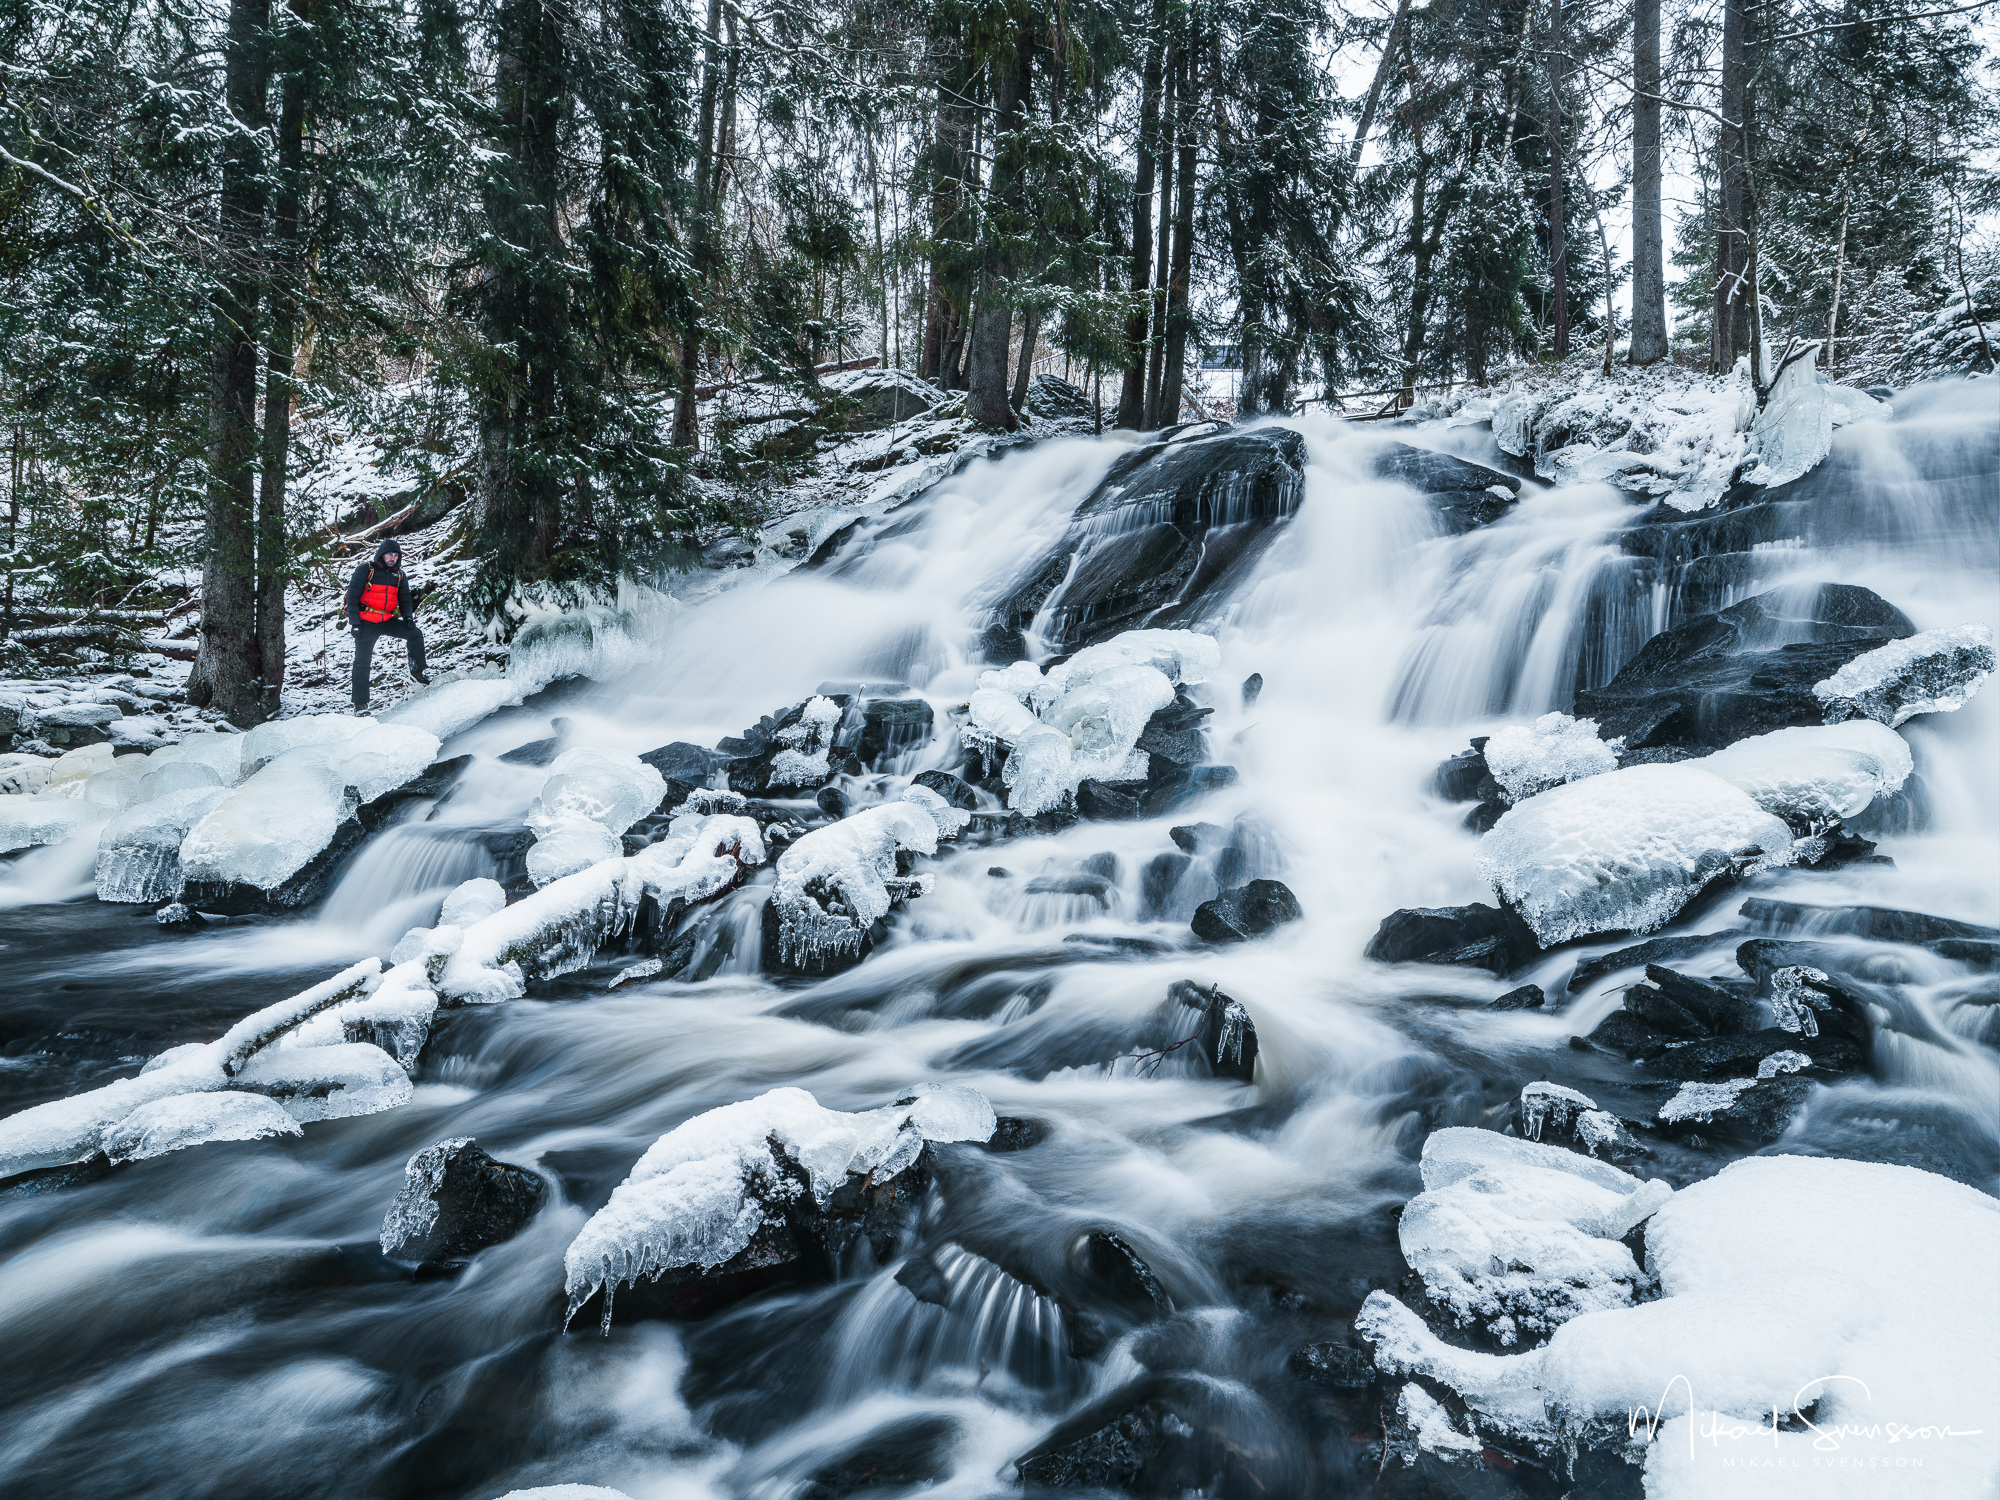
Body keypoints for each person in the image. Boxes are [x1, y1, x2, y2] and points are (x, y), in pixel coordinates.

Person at [346, 537, 429, 711]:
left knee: (415, 634)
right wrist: (355, 624)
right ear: (381, 555)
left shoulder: (399, 575)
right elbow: (352, 597)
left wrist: (408, 618)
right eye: (389, 555)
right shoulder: (365, 570)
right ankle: (360, 704)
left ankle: (418, 674)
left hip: (387, 620)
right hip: (366, 623)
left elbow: (405, 599)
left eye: (395, 555)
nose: (392, 558)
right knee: (362, 662)